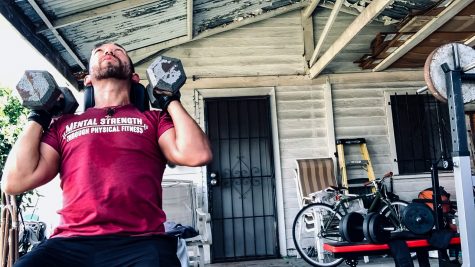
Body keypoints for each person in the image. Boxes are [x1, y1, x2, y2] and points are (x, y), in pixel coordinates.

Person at [1, 42, 212, 267]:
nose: (108, 52)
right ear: (88, 79)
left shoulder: (154, 120)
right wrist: (39, 117)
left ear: (134, 77)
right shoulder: (63, 124)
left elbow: (197, 154)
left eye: (118, 50)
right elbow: (14, 182)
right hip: (70, 244)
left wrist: (169, 100)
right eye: (99, 52)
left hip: (141, 243)